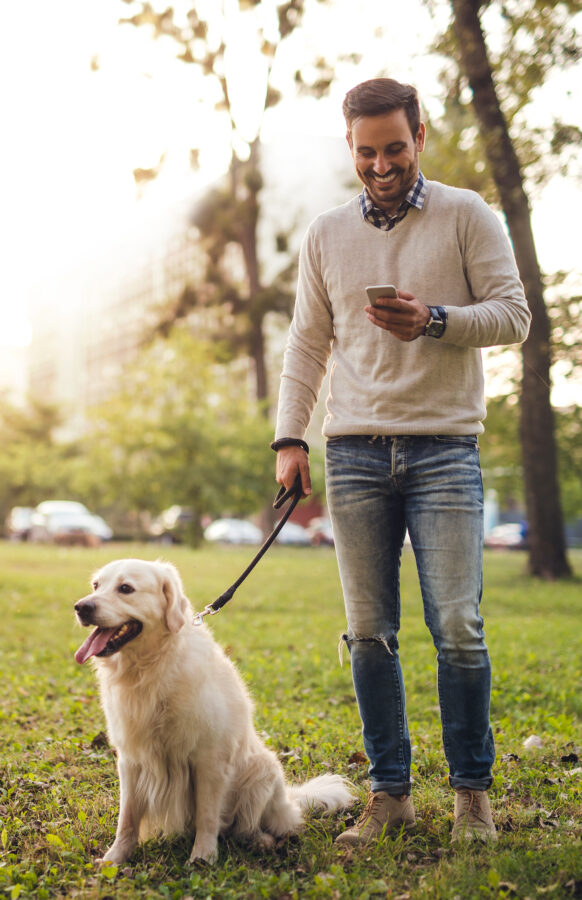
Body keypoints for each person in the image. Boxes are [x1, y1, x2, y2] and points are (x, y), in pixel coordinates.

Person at [271, 77, 531, 845]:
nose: (380, 166)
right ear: (350, 148)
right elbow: (307, 343)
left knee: (458, 626)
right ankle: (390, 796)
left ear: (420, 136)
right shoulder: (327, 234)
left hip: (444, 447)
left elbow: (513, 314)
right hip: (353, 452)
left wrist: (434, 319)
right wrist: (290, 438)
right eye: (366, 153)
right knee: (368, 632)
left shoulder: (466, 214)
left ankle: (471, 798)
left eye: (393, 148)